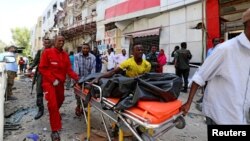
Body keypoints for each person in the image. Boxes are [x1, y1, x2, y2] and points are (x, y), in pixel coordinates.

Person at [181, 8, 250, 125]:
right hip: (220, 117)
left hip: (242, 116)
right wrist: (188, 103)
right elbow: (200, 76)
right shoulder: (225, 49)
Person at [39, 35, 79, 141]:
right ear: (54, 42)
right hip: (49, 83)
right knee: (52, 105)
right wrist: (52, 80)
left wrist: (77, 78)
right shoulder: (47, 52)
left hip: (60, 84)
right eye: (59, 41)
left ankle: (55, 114)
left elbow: (69, 70)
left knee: (60, 100)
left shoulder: (65, 55)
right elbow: (42, 68)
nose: (61, 42)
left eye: (63, 41)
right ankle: (55, 130)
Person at [28, 38, 52, 120]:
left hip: (51, 74)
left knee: (53, 93)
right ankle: (40, 110)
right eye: (46, 43)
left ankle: (54, 110)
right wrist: (31, 67)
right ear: (43, 43)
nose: (47, 44)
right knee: (39, 91)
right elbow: (35, 61)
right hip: (41, 73)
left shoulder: (54, 51)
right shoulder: (40, 51)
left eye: (49, 43)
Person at [74, 43, 96, 116]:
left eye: (87, 48)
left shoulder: (93, 57)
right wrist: (77, 79)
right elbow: (76, 68)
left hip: (88, 80)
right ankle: (79, 107)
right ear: (81, 49)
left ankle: (82, 107)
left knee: (88, 95)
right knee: (78, 95)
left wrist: (91, 80)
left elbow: (93, 70)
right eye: (84, 48)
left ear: (89, 49)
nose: (85, 50)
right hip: (78, 79)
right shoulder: (76, 56)